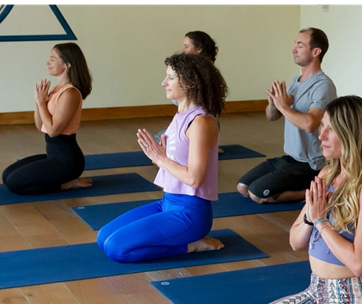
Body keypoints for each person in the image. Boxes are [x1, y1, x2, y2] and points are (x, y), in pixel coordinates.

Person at [230, 95, 362, 304]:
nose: (320, 134)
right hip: (316, 293)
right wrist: (310, 216)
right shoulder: (327, 174)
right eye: (322, 126)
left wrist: (321, 221)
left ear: (351, 134)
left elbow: (359, 264)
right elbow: (295, 242)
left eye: (329, 128)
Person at [97, 53, 228, 263]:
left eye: (171, 78)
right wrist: (162, 157)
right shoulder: (180, 116)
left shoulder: (202, 122)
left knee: (116, 249)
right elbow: (175, 164)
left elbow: (195, 179)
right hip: (167, 203)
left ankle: (190, 246)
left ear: (190, 83)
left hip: (189, 214)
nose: (163, 82)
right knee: (103, 237)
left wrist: (161, 159)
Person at [237, 27, 337, 204]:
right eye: (295, 44)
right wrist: (273, 104)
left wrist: (283, 106)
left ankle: (311, 192)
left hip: (309, 164)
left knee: (257, 195)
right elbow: (272, 117)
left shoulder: (323, 86)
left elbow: (310, 124)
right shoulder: (295, 82)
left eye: (300, 45)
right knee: (243, 187)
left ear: (316, 51)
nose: (294, 49)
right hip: (288, 158)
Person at [2, 42, 92, 195]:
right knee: (7, 175)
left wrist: (42, 103)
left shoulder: (70, 94)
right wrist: (39, 102)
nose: (48, 62)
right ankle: (62, 180)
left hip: (67, 161)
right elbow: (40, 126)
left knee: (14, 183)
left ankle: (68, 184)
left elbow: (53, 132)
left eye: (53, 58)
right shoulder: (55, 90)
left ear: (67, 64)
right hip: (54, 156)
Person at [155, 30, 223, 153]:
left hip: (199, 126)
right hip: (189, 121)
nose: (183, 50)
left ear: (199, 49)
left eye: (187, 46)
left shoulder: (201, 120)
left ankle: (205, 143)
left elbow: (210, 112)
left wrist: (161, 159)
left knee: (159, 142)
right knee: (157, 141)